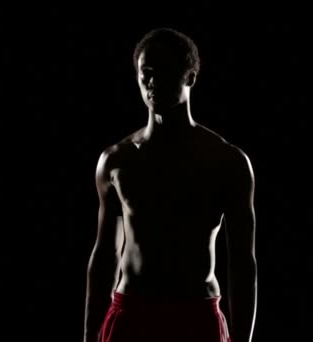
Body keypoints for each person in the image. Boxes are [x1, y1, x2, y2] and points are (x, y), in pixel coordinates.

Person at [83, 27, 257, 342]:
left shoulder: (226, 161)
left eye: (164, 72)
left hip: (196, 316)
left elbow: (243, 264)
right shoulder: (117, 161)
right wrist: (88, 335)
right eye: (145, 74)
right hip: (132, 316)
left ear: (190, 76)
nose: (152, 82)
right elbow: (105, 255)